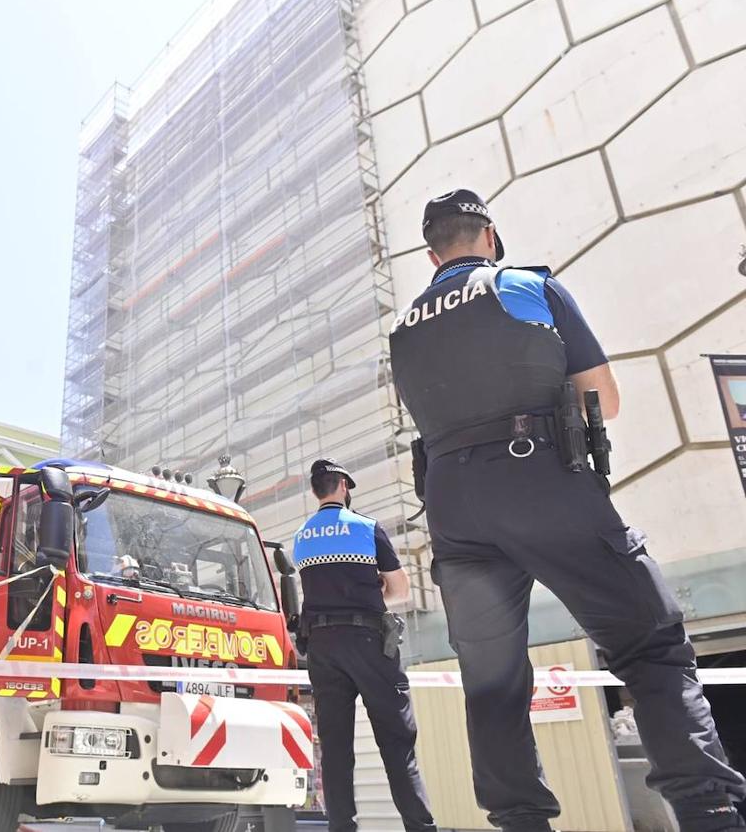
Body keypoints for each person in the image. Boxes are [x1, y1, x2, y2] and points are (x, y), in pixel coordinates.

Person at [387, 189, 746, 832]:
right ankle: (708, 809)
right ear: (489, 236)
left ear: (431, 250)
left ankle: (520, 819)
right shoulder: (526, 284)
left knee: (492, 674)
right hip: (539, 477)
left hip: (452, 506)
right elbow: (602, 398)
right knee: (649, 642)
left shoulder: (405, 326)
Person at [292, 458, 436, 832]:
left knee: (336, 750)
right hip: (368, 641)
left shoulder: (302, 536)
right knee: (396, 742)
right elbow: (401, 590)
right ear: (342, 485)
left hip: (322, 646)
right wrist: (370, 595)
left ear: (313, 492)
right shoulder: (367, 528)